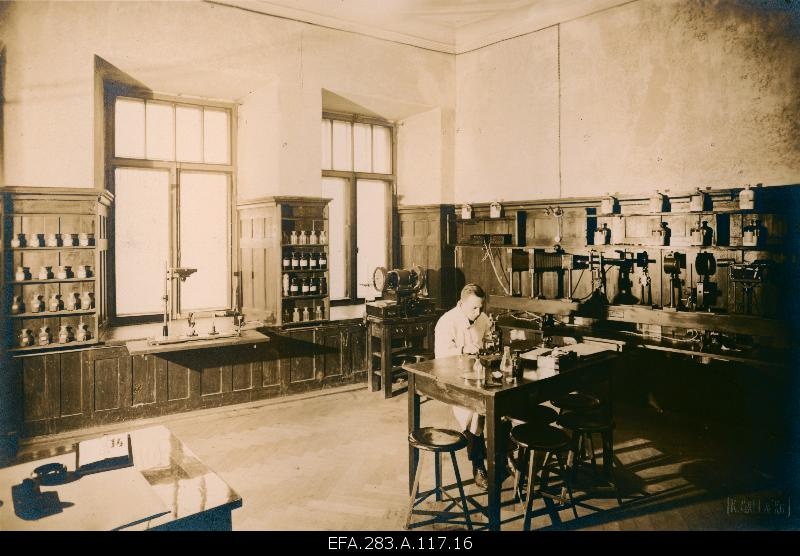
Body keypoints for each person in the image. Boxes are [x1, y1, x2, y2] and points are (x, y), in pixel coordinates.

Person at [434, 283, 493, 489]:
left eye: (480, 307)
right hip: (453, 378)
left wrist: (489, 344)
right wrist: (463, 349)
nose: (478, 313)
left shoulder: (483, 318)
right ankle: (478, 464)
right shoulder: (447, 322)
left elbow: (487, 341)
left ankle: (501, 456)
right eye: (474, 308)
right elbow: (440, 356)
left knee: (500, 406)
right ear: (461, 303)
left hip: (477, 374)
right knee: (475, 413)